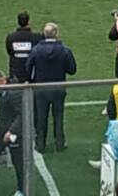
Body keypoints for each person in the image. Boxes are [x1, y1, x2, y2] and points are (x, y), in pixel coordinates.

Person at [26, 22, 77, 152]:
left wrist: (33, 80)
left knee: (41, 117)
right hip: (59, 88)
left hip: (41, 89)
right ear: (57, 34)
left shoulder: (36, 50)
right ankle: (59, 143)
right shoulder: (65, 50)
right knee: (58, 117)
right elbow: (72, 70)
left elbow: (28, 68)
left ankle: (40, 144)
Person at [6, 11, 43, 82]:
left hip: (15, 74)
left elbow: (9, 52)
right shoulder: (36, 37)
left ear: (18, 22)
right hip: (31, 73)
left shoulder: (11, 38)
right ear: (28, 22)